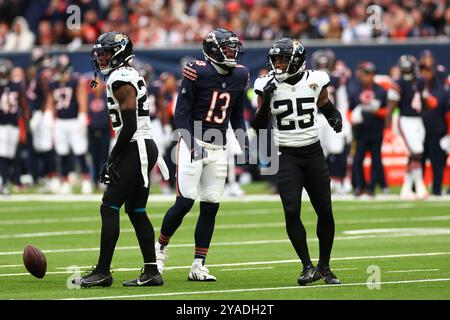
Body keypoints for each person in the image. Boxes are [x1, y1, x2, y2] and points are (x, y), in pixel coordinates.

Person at [154, 28, 249, 281]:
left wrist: (244, 140)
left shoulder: (240, 75)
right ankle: (159, 250)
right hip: (194, 141)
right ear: (214, 51)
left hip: (219, 146)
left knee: (210, 206)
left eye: (233, 48)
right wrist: (189, 142)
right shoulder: (198, 72)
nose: (233, 53)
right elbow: (181, 114)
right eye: (227, 49)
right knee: (185, 202)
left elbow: (237, 115)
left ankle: (198, 265)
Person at [73, 31, 163, 287]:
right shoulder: (125, 74)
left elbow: (131, 124)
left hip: (137, 146)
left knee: (109, 206)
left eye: (106, 52)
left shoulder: (121, 77)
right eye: (100, 53)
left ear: (120, 52)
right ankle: (151, 271)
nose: (101, 57)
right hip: (141, 145)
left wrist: (112, 158)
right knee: (136, 211)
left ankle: (102, 271)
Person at [250, 38, 341, 286]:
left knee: (325, 210)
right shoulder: (265, 85)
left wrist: (334, 116)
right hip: (286, 154)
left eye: (283, 59)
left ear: (297, 60)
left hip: (313, 153)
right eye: (275, 59)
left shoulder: (316, 79)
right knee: (291, 210)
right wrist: (266, 101)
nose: (278, 63)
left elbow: (325, 105)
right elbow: (257, 126)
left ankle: (325, 266)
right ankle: (307, 266)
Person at [46, 54, 93, 194]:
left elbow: (81, 97)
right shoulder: (53, 83)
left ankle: (86, 180)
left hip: (73, 121)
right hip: (60, 121)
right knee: (62, 153)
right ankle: (66, 181)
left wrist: (83, 115)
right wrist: (48, 114)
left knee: (80, 152)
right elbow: (50, 100)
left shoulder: (74, 81)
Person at [386, 55, 428, 199]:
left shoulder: (421, 81)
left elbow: (424, 101)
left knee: (414, 155)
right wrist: (387, 127)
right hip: (405, 120)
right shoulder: (398, 83)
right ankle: (420, 186)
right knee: (417, 152)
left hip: (418, 120)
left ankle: (406, 188)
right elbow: (391, 106)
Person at [349, 61, 388, 197]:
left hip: (376, 130)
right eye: (365, 74)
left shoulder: (381, 91)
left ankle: (371, 187)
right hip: (360, 131)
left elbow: (386, 112)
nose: (367, 77)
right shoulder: (355, 90)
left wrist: (375, 111)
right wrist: (352, 119)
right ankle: (360, 186)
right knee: (358, 159)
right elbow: (349, 110)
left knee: (376, 159)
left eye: (369, 74)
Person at [418, 62, 449, 196]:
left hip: (437, 132)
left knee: (438, 164)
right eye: (422, 71)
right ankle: (417, 188)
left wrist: (448, 133)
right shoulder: (416, 89)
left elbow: (448, 114)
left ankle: (437, 189)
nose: (425, 74)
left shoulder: (441, 91)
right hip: (419, 132)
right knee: (419, 162)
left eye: (428, 71)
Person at [0, 59, 30, 194]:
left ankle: (9, 180)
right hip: (1, 125)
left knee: (11, 155)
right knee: (2, 154)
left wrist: (26, 123)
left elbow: (24, 106)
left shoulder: (16, 86)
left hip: (13, 125)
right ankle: (4, 181)